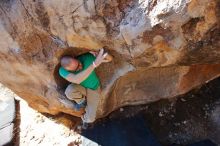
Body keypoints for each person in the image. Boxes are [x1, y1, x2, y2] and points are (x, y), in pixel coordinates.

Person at [58, 48, 112, 126]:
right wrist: (94, 65)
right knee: (69, 91)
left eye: (78, 63)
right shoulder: (62, 70)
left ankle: (83, 118)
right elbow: (77, 80)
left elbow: (110, 59)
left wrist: (104, 54)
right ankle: (82, 101)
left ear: (74, 57)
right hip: (81, 88)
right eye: (76, 69)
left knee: (90, 119)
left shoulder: (87, 58)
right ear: (67, 69)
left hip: (93, 89)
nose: (80, 67)